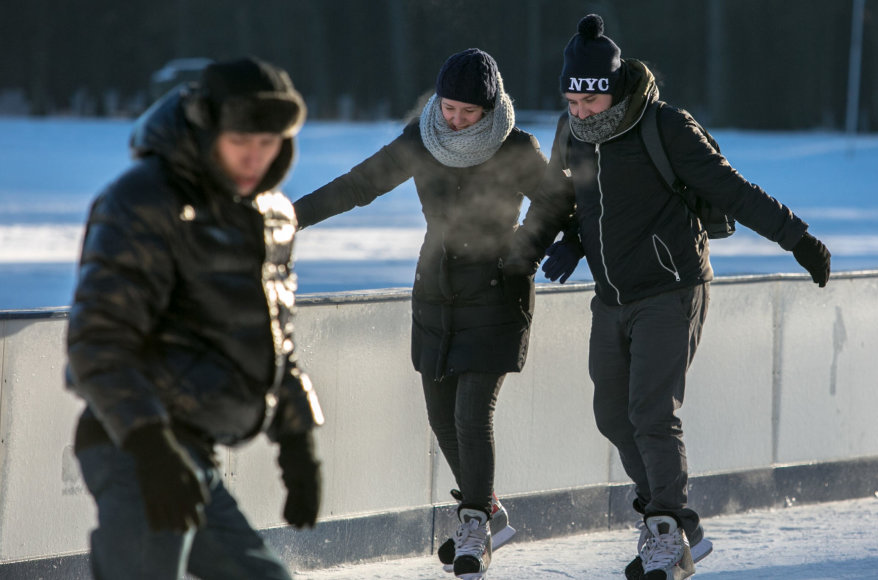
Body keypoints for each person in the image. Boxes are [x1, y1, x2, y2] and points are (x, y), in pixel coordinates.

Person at [507, 14, 832, 580]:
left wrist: (797, 238)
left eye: (590, 100)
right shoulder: (571, 132)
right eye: (572, 100)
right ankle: (680, 522)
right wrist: (532, 254)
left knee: (652, 413)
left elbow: (733, 189)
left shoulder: (664, 127)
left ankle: (662, 531)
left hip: (671, 288)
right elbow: (557, 202)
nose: (580, 112)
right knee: (612, 414)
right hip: (611, 296)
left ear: (613, 88)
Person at [66, 57, 325, 580]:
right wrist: (150, 448)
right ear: (208, 128)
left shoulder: (271, 214)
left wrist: (298, 442)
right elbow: (98, 341)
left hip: (193, 455)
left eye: (269, 143)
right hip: (134, 446)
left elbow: (276, 342)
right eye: (240, 142)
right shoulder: (144, 200)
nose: (254, 158)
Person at [293, 48, 546, 579]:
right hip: (435, 293)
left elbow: (557, 202)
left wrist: (527, 248)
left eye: (468, 113)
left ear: (491, 107)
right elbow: (358, 186)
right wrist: (287, 219)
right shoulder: (422, 138)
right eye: (449, 107)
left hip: (497, 295)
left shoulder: (516, 147)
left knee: (472, 416)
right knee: (441, 418)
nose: (455, 120)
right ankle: (491, 509)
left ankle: (474, 522)